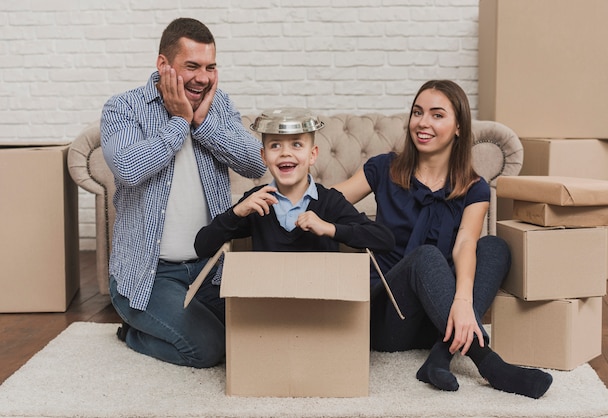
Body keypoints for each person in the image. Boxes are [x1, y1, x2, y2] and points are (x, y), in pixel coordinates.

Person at [333, 80, 553, 399]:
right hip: (389, 319)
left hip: (439, 318)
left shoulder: (474, 187)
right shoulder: (383, 168)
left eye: (437, 115)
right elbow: (329, 203)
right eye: (418, 112)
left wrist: (463, 301)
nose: (423, 122)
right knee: (425, 256)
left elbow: (466, 242)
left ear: (459, 126)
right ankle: (489, 363)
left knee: (494, 247)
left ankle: (441, 355)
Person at [100, 17, 266, 368]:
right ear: (163, 64)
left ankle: (178, 322)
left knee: (261, 338)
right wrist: (180, 121)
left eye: (210, 67)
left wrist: (203, 124)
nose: (203, 77)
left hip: (211, 269)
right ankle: (133, 332)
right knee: (209, 350)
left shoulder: (217, 106)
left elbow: (256, 164)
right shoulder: (124, 108)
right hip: (149, 275)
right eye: (191, 66)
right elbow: (129, 169)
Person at [195, 108, 395, 261]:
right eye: (275, 145)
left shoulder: (329, 202)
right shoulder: (257, 202)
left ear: (312, 155)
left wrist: (329, 228)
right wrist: (237, 212)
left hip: (321, 304)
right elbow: (202, 246)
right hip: (267, 304)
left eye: (297, 144)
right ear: (264, 156)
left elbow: (384, 240)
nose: (285, 153)